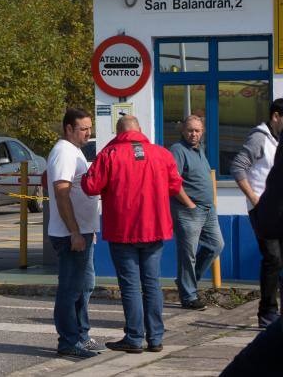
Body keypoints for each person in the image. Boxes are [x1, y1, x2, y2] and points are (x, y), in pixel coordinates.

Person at [82, 116, 196, 354]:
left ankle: (134, 338)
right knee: (152, 284)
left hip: (123, 231)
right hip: (154, 229)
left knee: (131, 286)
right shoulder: (162, 154)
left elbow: (90, 186)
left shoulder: (110, 154)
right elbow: (175, 186)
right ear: (140, 130)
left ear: (118, 131)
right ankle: (155, 338)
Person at [46, 108, 103, 359]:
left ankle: (81, 335)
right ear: (68, 128)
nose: (88, 133)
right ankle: (68, 341)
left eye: (90, 128)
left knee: (84, 286)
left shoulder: (76, 150)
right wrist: (75, 232)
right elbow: (61, 192)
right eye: (83, 129)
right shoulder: (63, 152)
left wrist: (88, 230)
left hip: (82, 232)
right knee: (70, 289)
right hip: (70, 235)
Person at [231, 99, 283, 328]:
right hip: (263, 210)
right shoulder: (259, 137)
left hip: (277, 209)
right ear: (276, 116)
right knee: (273, 258)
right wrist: (255, 199)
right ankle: (267, 312)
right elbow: (237, 166)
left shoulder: (277, 140)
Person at [169, 115, 224, 311]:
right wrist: (189, 204)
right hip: (188, 210)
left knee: (216, 245)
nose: (194, 134)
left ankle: (187, 283)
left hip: (208, 210)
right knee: (187, 254)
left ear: (202, 132)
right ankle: (188, 295)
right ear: (183, 130)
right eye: (190, 130)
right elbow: (172, 181)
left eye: (198, 130)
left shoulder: (199, 150)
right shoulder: (178, 150)